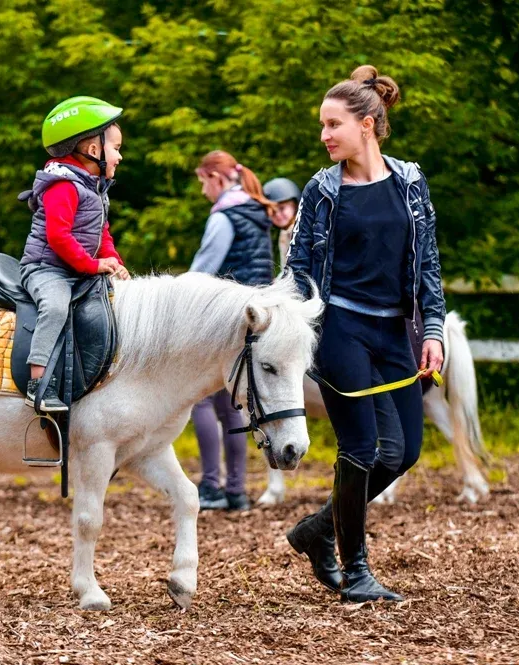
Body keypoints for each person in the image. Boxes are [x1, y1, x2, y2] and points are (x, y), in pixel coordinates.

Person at [284, 66, 447, 602]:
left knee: (403, 452)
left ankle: (316, 532)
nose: (324, 135)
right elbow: (298, 267)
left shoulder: (409, 182)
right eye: (323, 126)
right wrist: (291, 330)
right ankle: (355, 571)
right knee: (359, 447)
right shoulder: (322, 190)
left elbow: (427, 265)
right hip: (341, 330)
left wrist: (434, 331)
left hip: (393, 332)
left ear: (368, 125)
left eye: (333, 124)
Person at [18, 96, 131, 412]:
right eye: (116, 148)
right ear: (94, 151)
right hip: (46, 267)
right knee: (55, 307)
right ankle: (38, 382)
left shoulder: (92, 188)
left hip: (77, 268)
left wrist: (114, 263)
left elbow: (102, 234)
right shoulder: (63, 185)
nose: (120, 156)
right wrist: (93, 265)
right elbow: (58, 237)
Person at [189, 151, 277, 511]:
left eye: (202, 183)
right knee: (232, 405)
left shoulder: (225, 216)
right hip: (252, 317)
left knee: (201, 400)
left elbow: (204, 268)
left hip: (223, 317)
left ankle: (211, 486)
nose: (203, 192)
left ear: (217, 178)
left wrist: (178, 295)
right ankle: (237, 491)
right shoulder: (256, 213)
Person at [263, 177, 301, 266]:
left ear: (295, 205)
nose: (278, 215)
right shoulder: (286, 231)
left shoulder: (304, 232)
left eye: (282, 208)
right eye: (272, 212)